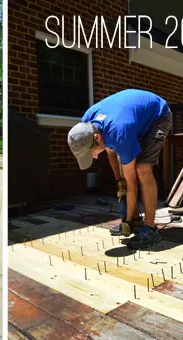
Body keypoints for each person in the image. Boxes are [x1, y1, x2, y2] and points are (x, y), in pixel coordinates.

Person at [67, 89, 172, 249]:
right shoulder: (87, 124)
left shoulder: (119, 132)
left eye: (92, 152)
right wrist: (118, 181)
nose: (95, 157)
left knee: (142, 169)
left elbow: (131, 183)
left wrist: (126, 220)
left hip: (158, 116)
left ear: (96, 137)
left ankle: (150, 228)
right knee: (119, 163)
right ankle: (135, 220)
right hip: (131, 119)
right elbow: (110, 152)